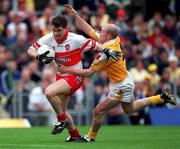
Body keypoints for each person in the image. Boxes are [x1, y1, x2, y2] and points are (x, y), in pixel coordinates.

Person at [59, 4, 176, 142]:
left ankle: (90, 137)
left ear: (107, 36)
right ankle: (160, 98)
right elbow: (90, 30)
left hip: (121, 85)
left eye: (101, 32)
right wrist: (75, 15)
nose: (99, 33)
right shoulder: (113, 39)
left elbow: (89, 72)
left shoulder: (107, 54)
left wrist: (66, 70)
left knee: (98, 111)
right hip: (124, 78)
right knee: (129, 109)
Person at [27, 14, 119, 142]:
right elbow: (30, 50)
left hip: (75, 77)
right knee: (63, 111)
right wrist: (38, 56)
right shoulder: (49, 38)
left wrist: (108, 51)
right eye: (54, 30)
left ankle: (61, 120)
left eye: (59, 30)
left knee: (48, 92)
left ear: (67, 28)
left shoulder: (76, 39)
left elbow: (97, 45)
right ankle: (74, 135)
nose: (56, 33)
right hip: (61, 77)